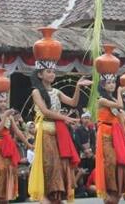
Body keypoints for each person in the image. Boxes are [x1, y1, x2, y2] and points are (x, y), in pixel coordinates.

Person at [27, 38, 92, 203]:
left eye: (53, 71)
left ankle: (55, 196)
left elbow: (73, 103)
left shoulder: (56, 91)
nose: (52, 74)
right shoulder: (36, 92)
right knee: (49, 166)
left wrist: (77, 87)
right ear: (40, 74)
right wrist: (65, 118)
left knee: (60, 165)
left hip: (59, 133)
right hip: (46, 132)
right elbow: (46, 111)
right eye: (48, 71)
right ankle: (46, 196)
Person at [0, 93, 32, 203]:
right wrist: (5, 115)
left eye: (5, 101)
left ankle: (5, 196)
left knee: (9, 170)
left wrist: (28, 144)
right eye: (0, 102)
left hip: (8, 144)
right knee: (0, 169)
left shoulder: (10, 116)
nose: (3, 103)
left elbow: (17, 131)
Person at [94, 72, 125, 203]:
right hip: (105, 132)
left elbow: (120, 117)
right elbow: (120, 106)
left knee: (120, 161)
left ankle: (117, 189)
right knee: (109, 162)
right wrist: (119, 91)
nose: (112, 85)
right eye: (109, 83)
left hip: (116, 133)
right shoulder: (102, 100)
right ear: (103, 85)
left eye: (113, 82)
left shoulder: (113, 100)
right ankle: (108, 189)